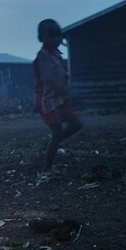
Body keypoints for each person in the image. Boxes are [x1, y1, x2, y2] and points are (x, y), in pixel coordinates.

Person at [33, 19, 83, 174]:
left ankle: (53, 143)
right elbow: (49, 79)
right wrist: (68, 91)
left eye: (58, 36)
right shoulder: (42, 56)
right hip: (48, 100)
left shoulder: (57, 55)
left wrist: (67, 92)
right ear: (41, 38)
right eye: (51, 36)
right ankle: (46, 168)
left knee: (76, 124)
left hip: (62, 99)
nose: (56, 39)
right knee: (57, 132)